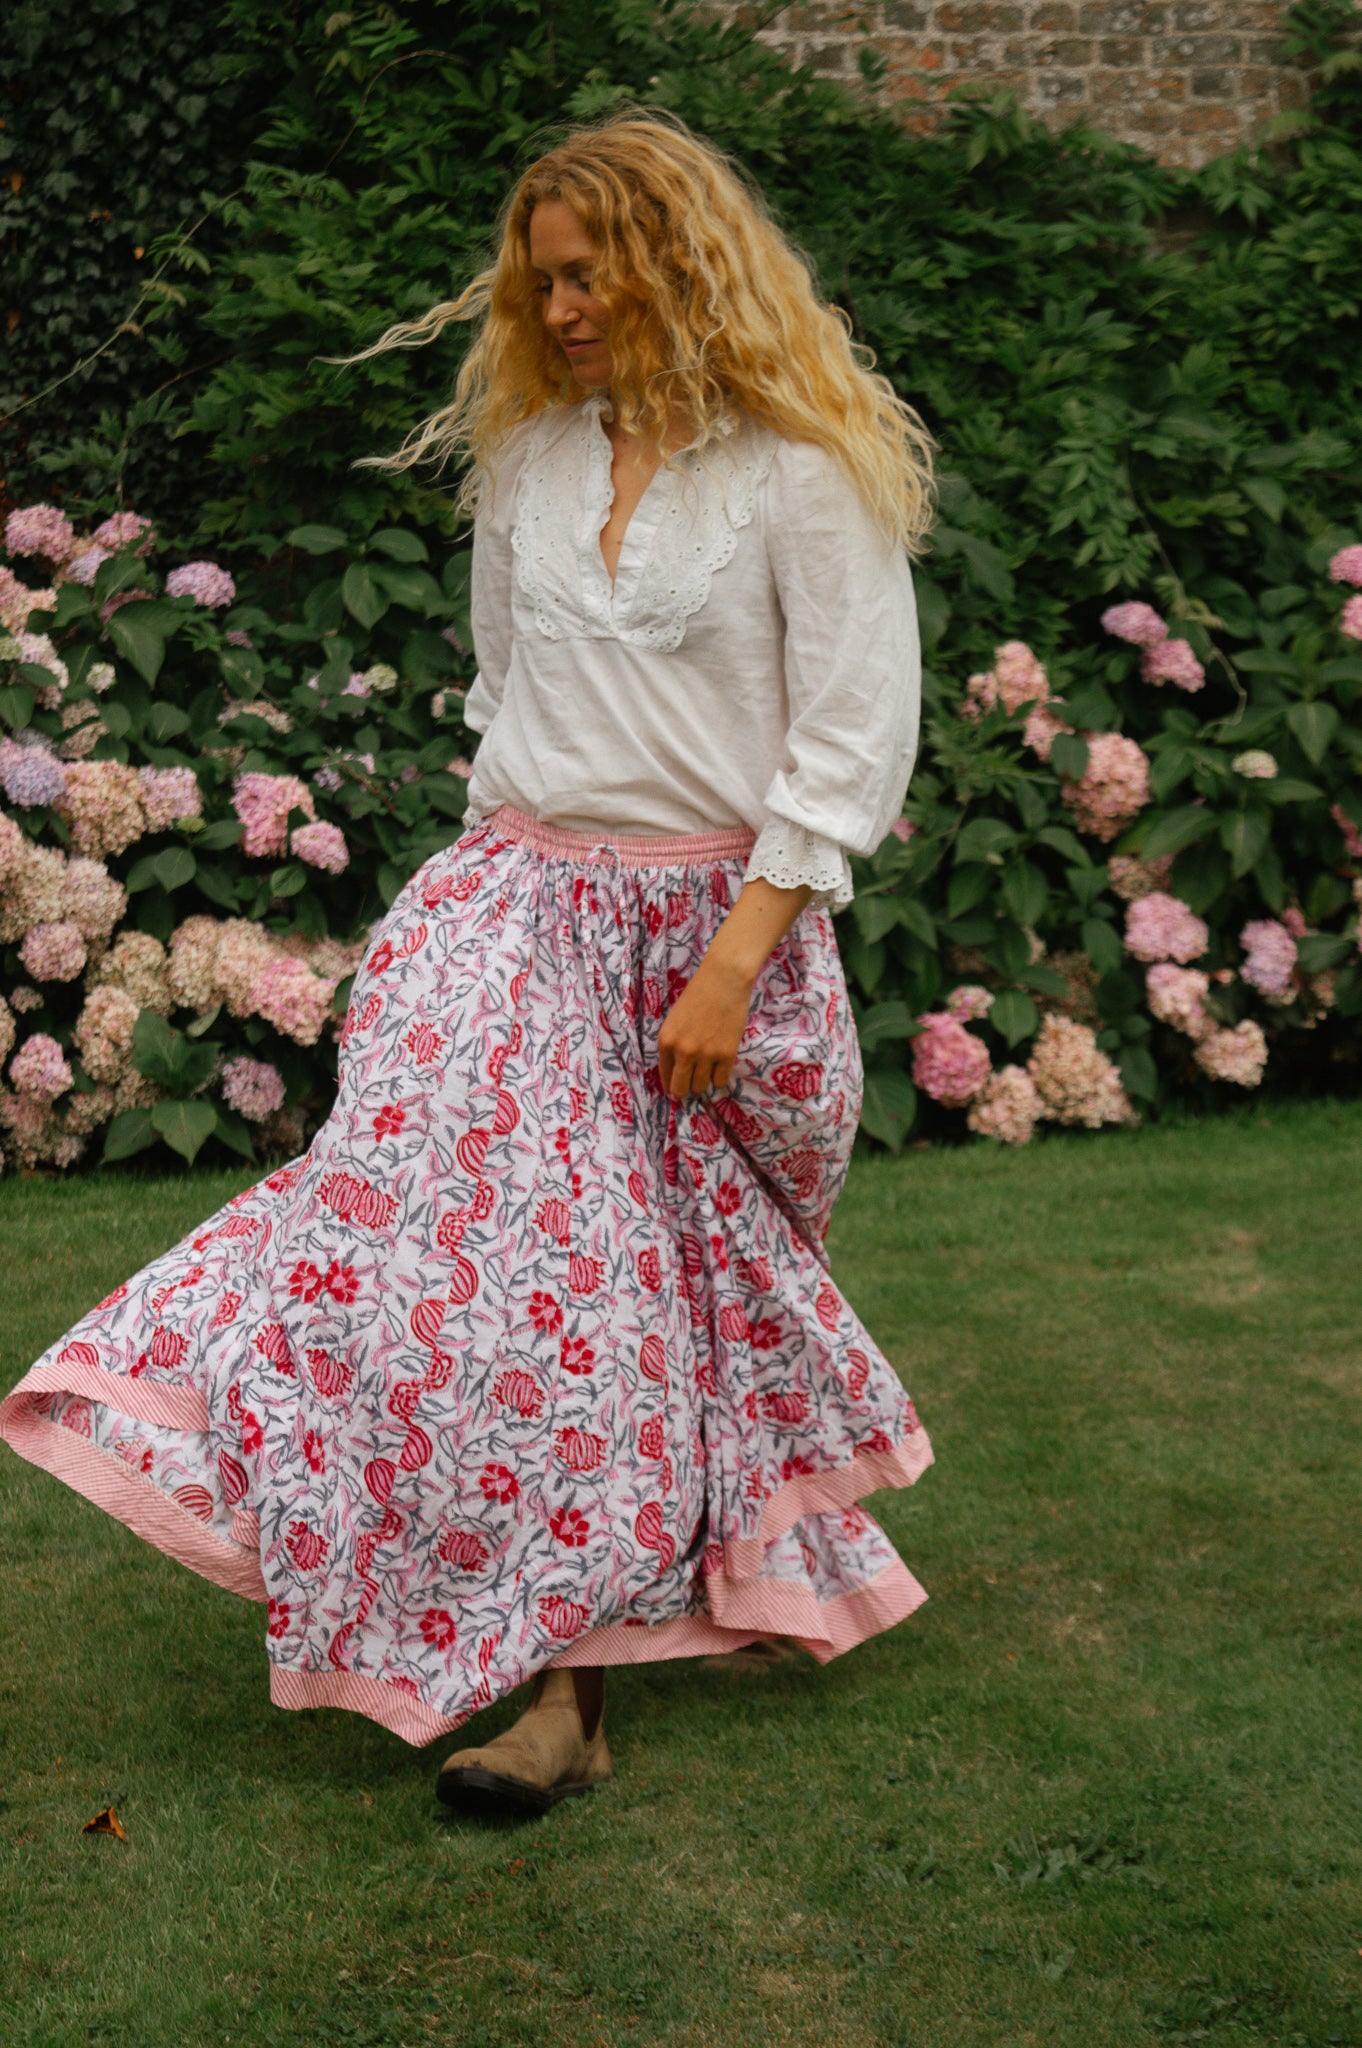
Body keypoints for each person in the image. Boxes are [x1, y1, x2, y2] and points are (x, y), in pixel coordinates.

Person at [0, 111, 936, 1818]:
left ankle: (581, 1624)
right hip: (511, 910)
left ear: (678, 261)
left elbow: (849, 740)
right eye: (540, 277)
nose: (560, 306)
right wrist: (488, 899)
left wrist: (728, 965)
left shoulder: (799, 473)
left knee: (643, 1311)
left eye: (590, 272)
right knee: (467, 1267)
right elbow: (507, 701)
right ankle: (535, 1679)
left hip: (713, 933)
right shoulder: (530, 466)